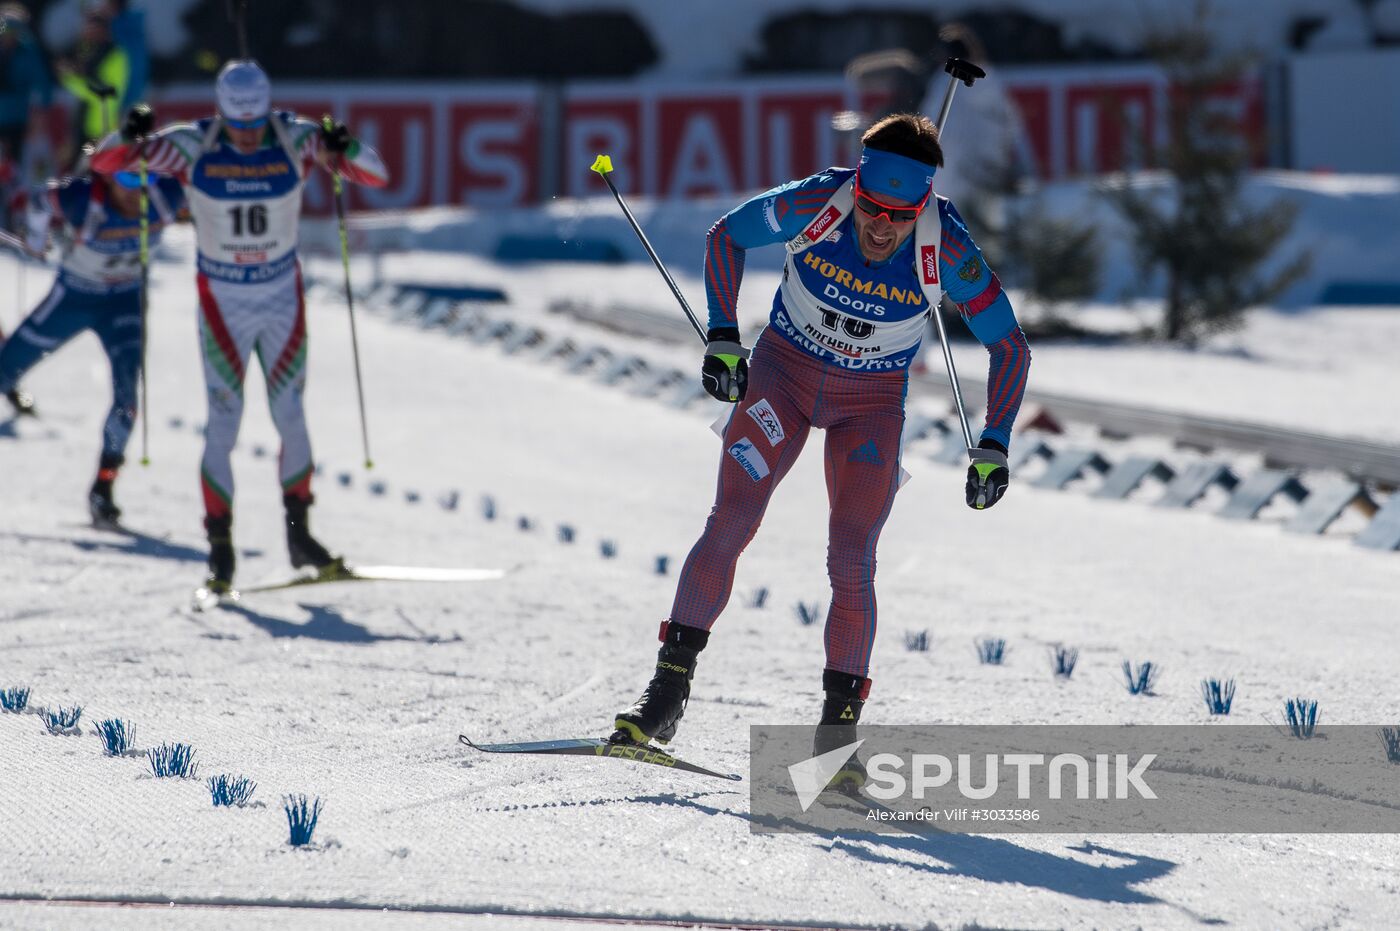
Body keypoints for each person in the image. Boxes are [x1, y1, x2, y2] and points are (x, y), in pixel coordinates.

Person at [612, 113, 1031, 787]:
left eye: (898, 214)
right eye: (870, 206)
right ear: (856, 186)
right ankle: (664, 697)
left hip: (869, 407)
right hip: (783, 377)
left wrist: (996, 443)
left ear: (922, 204)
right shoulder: (819, 201)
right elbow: (728, 235)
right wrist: (723, 334)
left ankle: (837, 738)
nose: (879, 225)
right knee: (731, 522)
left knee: (852, 559)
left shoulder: (946, 247)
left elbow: (1010, 345)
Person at [91, 60, 388, 596]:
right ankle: (220, 551)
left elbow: (375, 174)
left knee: (292, 417)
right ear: (221, 112)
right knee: (223, 424)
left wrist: (344, 146)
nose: (249, 139)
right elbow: (110, 163)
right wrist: (129, 134)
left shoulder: (293, 136)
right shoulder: (191, 145)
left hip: (280, 300)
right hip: (223, 304)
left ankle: (301, 537)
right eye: (238, 127)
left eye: (255, 127)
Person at [0, 155, 184, 523]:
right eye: (128, 183)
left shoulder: (166, 195)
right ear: (108, 178)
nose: (137, 193)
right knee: (5, 369)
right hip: (73, 299)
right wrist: (37, 235)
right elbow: (38, 200)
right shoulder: (81, 198)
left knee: (127, 399)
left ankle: (103, 487)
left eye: (143, 181)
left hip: (123, 303)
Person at [55, 4, 128, 157]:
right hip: (83, 125)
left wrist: (70, 78)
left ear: (103, 30)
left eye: (92, 28)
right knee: (80, 174)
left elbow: (103, 92)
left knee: (95, 172)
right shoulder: (89, 50)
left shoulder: (115, 55)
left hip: (101, 128)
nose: (87, 33)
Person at [0, 2, 53, 210]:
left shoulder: (28, 52)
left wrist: (39, 115)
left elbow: (43, 86)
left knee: (16, 168)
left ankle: (15, 213)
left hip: (17, 118)